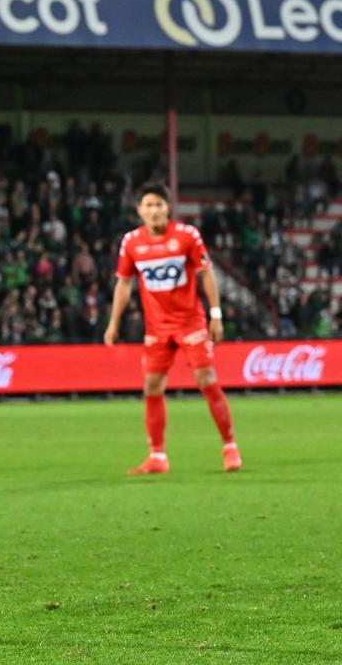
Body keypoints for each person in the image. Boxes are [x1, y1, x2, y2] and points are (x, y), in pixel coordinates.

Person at [104, 182, 241, 475]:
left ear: (168, 208)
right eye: (149, 205)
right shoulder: (131, 242)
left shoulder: (187, 236)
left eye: (159, 205)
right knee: (152, 385)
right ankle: (157, 456)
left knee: (205, 377)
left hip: (191, 321)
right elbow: (124, 283)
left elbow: (206, 273)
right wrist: (113, 322)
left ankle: (230, 447)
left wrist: (216, 315)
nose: (154, 210)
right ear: (140, 210)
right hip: (157, 326)